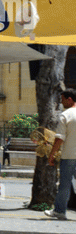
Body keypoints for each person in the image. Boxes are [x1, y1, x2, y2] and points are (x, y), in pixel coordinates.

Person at [45, 88, 76, 220]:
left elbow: (59, 139)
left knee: (64, 184)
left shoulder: (66, 115)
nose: (61, 103)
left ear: (69, 99)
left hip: (69, 155)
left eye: (63, 100)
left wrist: (51, 155)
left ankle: (60, 211)